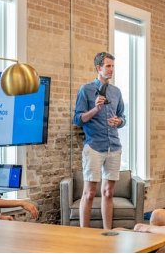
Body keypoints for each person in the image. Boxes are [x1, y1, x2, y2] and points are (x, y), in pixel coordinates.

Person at [73, 52, 126, 229]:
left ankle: (107, 234)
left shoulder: (116, 92)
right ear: (99, 68)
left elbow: (123, 118)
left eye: (113, 66)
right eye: (108, 66)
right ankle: (84, 234)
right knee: (89, 194)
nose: (111, 70)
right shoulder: (85, 90)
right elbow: (78, 119)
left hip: (114, 147)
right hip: (94, 147)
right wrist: (95, 109)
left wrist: (118, 122)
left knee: (108, 192)